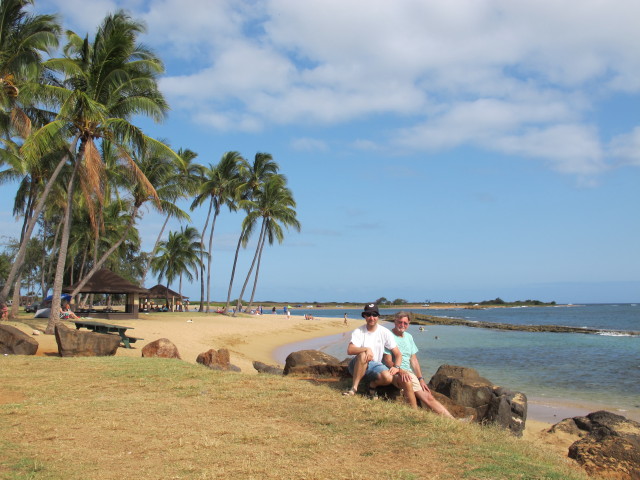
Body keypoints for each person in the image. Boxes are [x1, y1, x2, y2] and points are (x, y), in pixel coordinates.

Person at [382, 312, 454, 418]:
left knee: (428, 396)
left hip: (409, 372)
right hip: (395, 371)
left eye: (405, 323)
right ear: (395, 321)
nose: (402, 325)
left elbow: (414, 360)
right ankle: (415, 415)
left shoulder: (409, 337)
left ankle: (453, 420)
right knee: (408, 382)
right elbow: (387, 360)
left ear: (409, 324)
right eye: (400, 322)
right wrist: (400, 371)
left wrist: (421, 378)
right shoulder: (389, 336)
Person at [343, 303, 403, 398]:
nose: (372, 318)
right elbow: (350, 350)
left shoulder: (385, 332)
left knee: (388, 377)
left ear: (378, 317)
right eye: (369, 315)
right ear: (365, 316)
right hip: (357, 364)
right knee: (363, 355)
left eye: (374, 315)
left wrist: (396, 367)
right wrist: (367, 349)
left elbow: (398, 354)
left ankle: (372, 385)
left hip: (375, 366)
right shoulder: (358, 331)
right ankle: (354, 389)